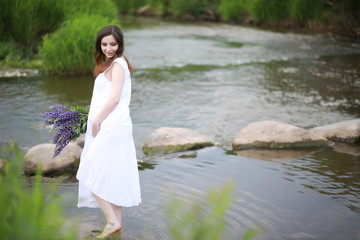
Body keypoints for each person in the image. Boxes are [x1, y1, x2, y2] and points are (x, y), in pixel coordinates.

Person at [76, 25, 141, 239]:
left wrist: (96, 120)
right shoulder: (113, 64)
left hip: (112, 126)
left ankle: (112, 221)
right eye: (104, 44)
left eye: (113, 44)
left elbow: (114, 98)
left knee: (88, 170)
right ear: (99, 45)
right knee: (114, 174)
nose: (108, 48)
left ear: (120, 44)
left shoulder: (118, 66)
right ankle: (115, 225)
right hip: (116, 125)